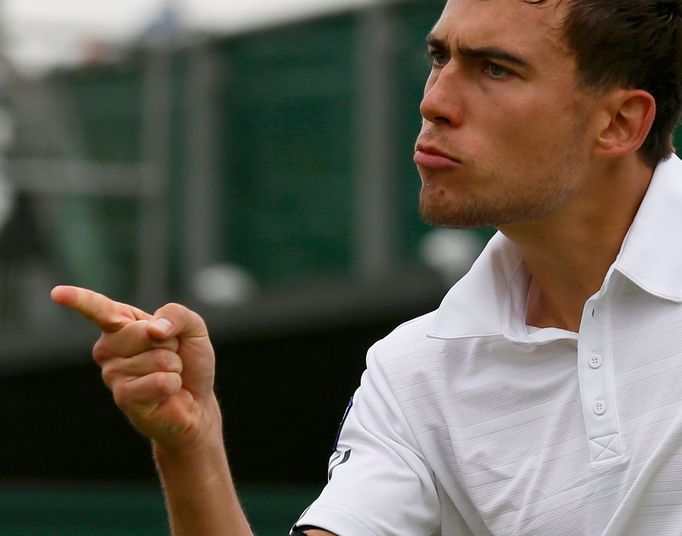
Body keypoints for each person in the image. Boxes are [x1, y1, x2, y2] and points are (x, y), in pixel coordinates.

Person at [51, 0, 682, 534]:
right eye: (440, 59)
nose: (435, 102)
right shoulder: (413, 371)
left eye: (495, 69)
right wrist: (192, 445)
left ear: (620, 123)